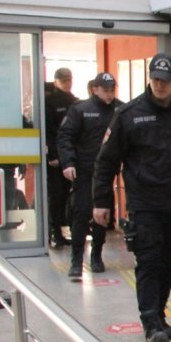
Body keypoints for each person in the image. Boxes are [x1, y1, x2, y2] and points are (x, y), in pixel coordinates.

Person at [93, 53, 171, 342]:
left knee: (170, 259)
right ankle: (151, 324)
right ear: (150, 78)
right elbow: (106, 161)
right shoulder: (129, 114)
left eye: (166, 79)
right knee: (148, 261)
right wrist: (100, 201)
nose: (159, 85)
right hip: (145, 204)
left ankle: (158, 315)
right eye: (155, 79)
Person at [57, 72, 122, 280]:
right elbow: (65, 136)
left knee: (102, 216)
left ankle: (96, 256)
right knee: (81, 214)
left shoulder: (121, 110)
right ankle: (76, 259)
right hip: (84, 171)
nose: (110, 94)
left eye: (112, 90)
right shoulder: (81, 109)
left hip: (106, 173)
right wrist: (68, 162)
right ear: (95, 89)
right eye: (105, 90)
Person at [45, 67, 78, 247]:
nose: (67, 83)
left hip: (71, 157)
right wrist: (53, 155)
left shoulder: (74, 101)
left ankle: (70, 230)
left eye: (69, 79)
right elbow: (49, 132)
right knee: (56, 196)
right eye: (64, 80)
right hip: (56, 159)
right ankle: (55, 232)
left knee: (69, 196)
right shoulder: (49, 102)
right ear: (56, 81)